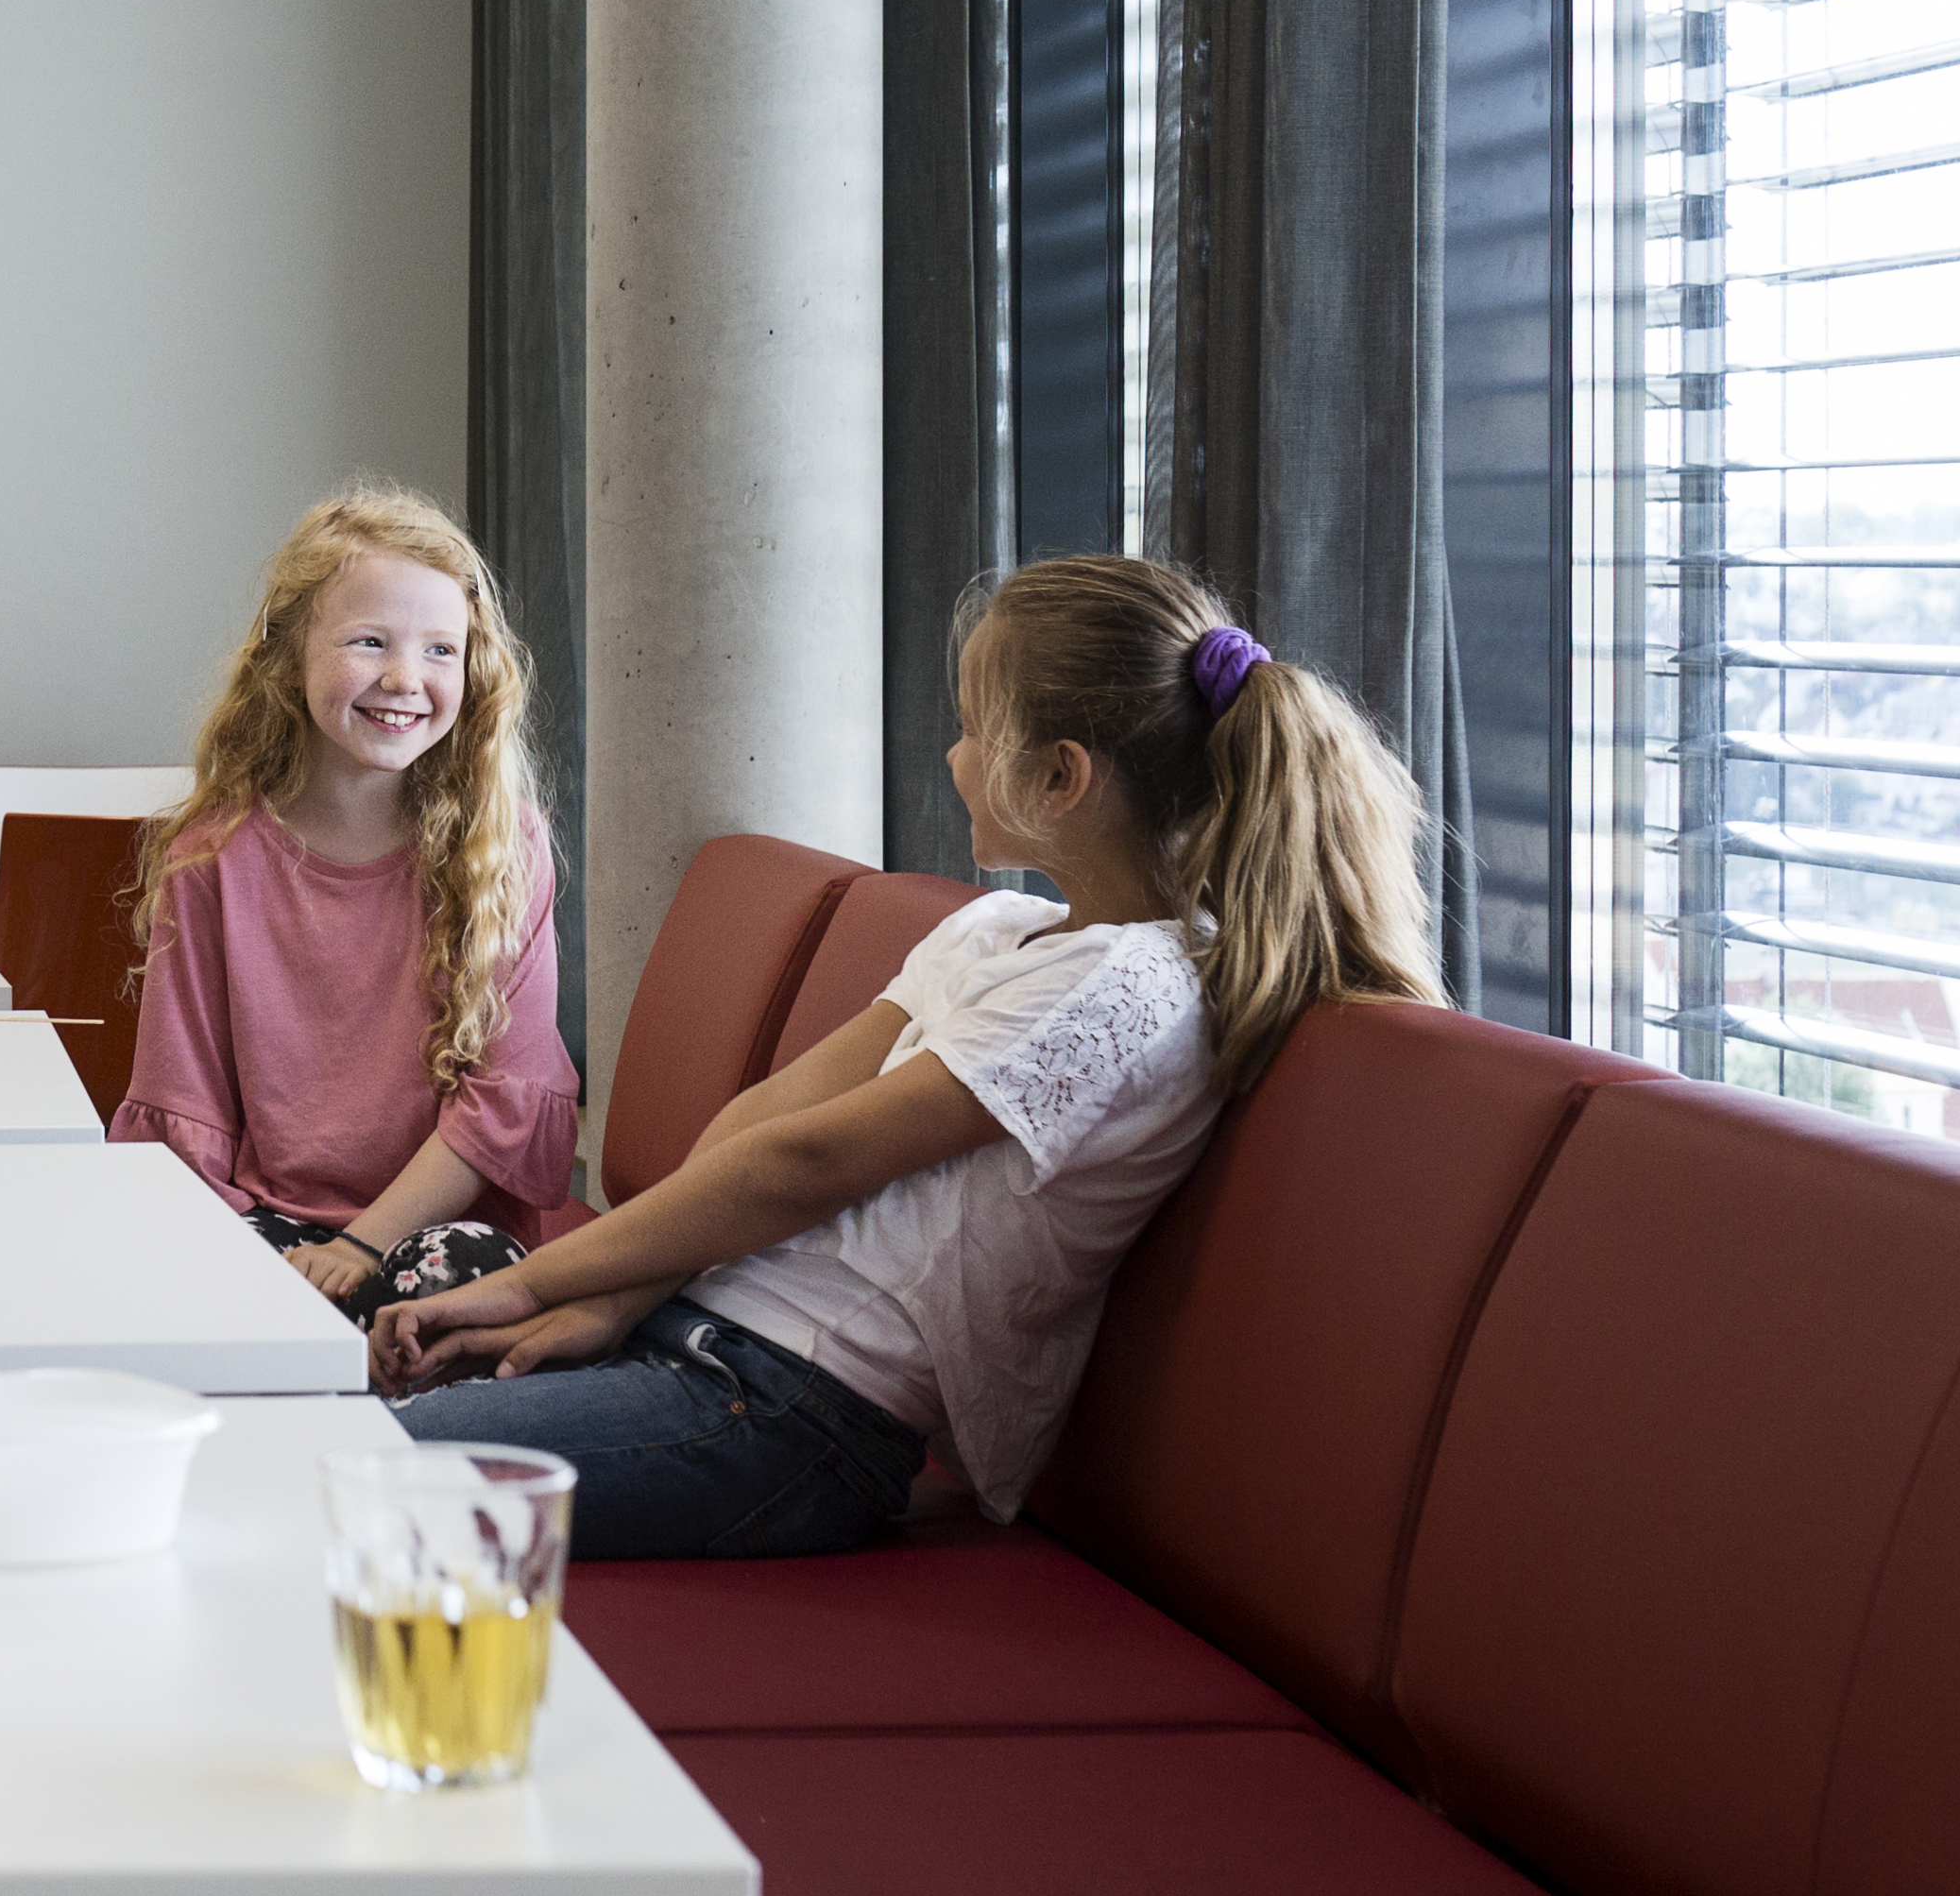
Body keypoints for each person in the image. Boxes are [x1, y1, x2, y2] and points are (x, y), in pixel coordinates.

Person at [367, 555, 1434, 1559]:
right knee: (328, 1437)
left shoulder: (1133, 989)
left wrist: (529, 1287)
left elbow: (807, 1165)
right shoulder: (995, 932)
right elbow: (760, 1127)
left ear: (1061, 777)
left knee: (339, 1478)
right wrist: (609, 1300)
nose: (953, 756)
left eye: (973, 730)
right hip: (696, 1340)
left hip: (793, 1415)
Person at [110, 487, 577, 1324]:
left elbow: (503, 1101)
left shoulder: (507, 851)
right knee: (177, 1289)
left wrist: (360, 1247)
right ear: (289, 656)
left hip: (442, 1232)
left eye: (441, 650)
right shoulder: (212, 858)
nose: (405, 678)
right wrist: (245, 1263)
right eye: (370, 642)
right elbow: (185, 1112)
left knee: (448, 1292)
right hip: (268, 1222)